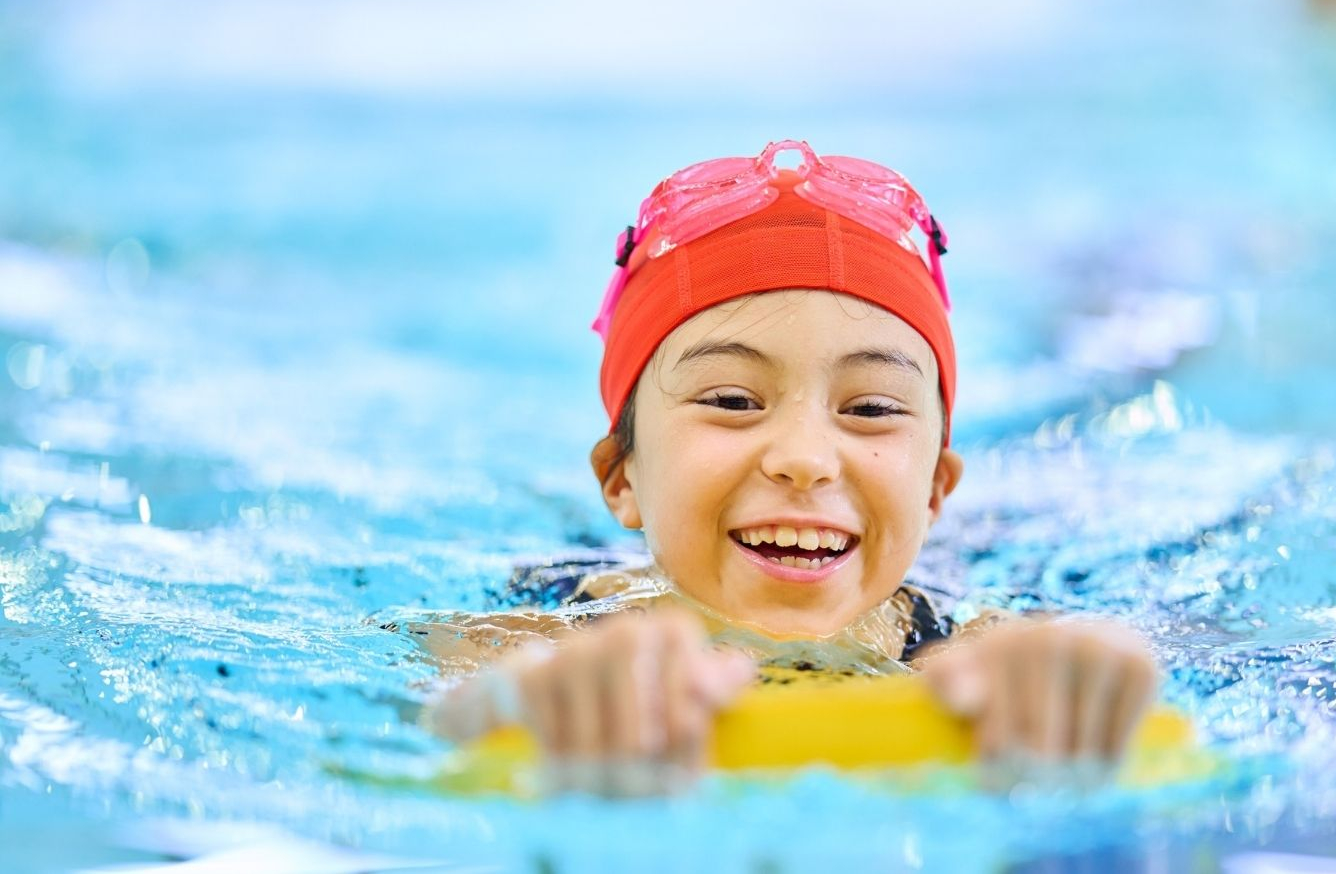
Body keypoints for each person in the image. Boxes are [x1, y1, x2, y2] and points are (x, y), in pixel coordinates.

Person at [423, 140, 1159, 789]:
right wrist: (526, 705)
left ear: (935, 493)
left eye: (871, 409)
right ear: (622, 478)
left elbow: (1094, 664)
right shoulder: (543, 640)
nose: (805, 460)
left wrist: (1087, 676)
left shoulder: (975, 658)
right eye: (734, 400)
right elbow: (434, 712)